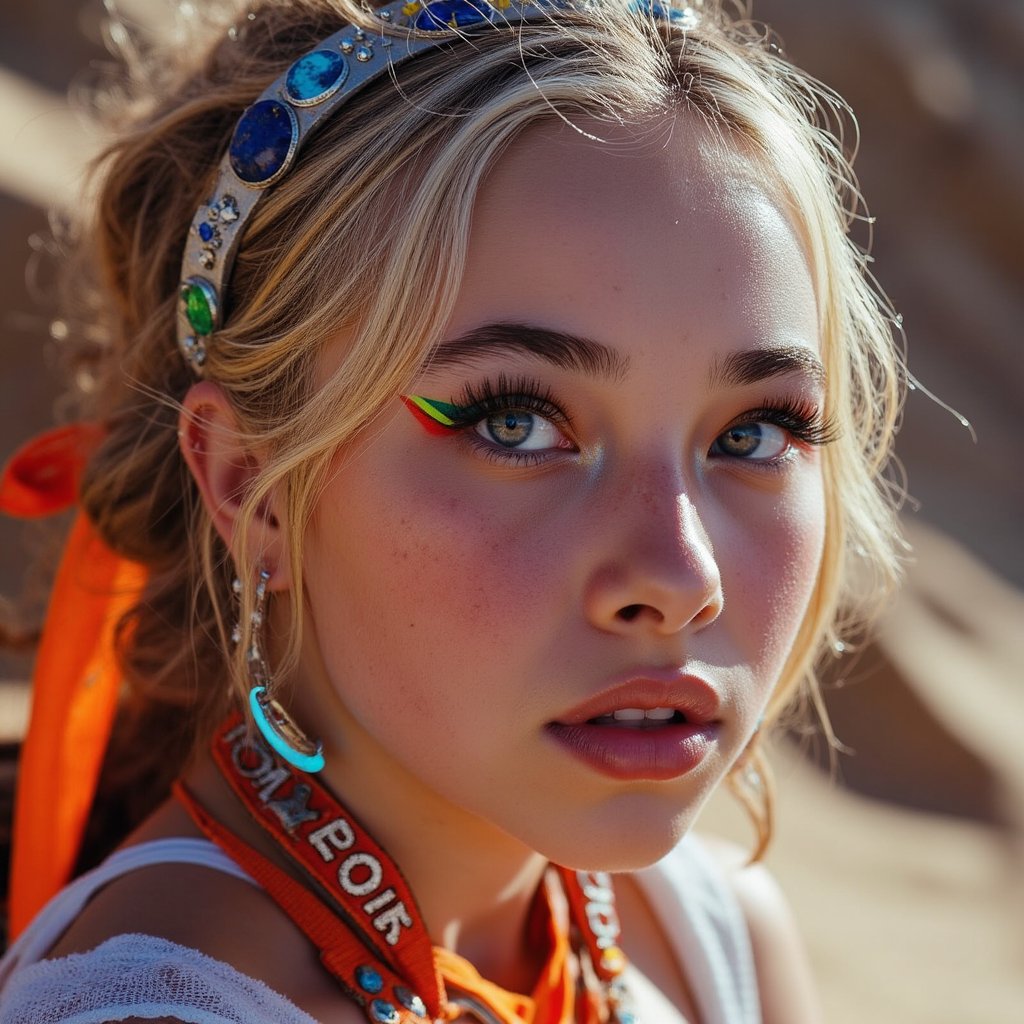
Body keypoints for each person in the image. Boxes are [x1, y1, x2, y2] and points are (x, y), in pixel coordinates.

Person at [0, 0, 905, 1021]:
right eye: (516, 424)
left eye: (754, 434)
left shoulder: (714, 940)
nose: (679, 576)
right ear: (253, 484)